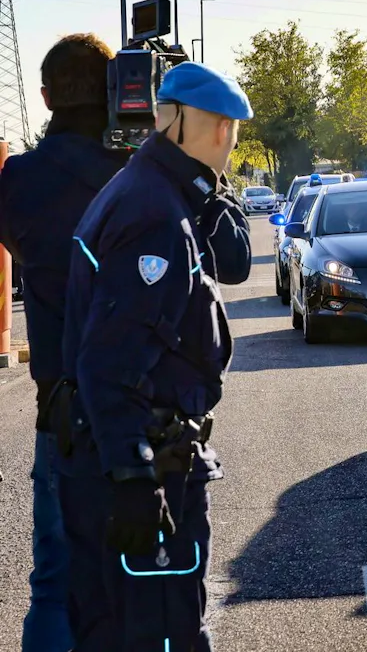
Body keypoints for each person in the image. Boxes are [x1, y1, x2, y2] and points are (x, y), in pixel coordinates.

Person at [56, 61, 252, 652]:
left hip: (124, 459)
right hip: (145, 467)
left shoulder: (147, 189)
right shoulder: (155, 214)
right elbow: (109, 362)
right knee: (158, 635)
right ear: (217, 128)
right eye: (232, 131)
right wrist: (136, 477)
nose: (231, 144)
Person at [0, 33, 131, 652]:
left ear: (46, 96)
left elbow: (22, 252)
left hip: (64, 411)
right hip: (148, 407)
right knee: (152, 575)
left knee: (54, 582)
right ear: (118, 92)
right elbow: (227, 262)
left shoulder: (20, 179)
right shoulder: (145, 171)